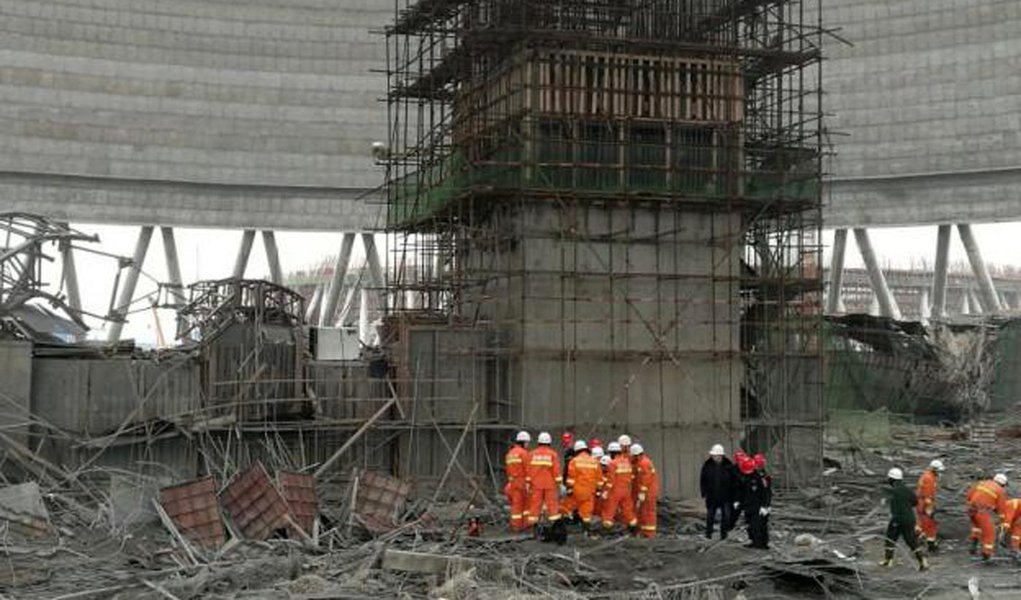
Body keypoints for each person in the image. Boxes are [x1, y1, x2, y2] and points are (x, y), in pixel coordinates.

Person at [881, 468, 928, 571]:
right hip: (910, 519)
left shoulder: (893, 491)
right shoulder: (907, 490)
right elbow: (915, 502)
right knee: (911, 541)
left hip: (898, 519)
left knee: (890, 539)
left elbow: (894, 507)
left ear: (892, 479)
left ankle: (888, 560)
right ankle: (922, 561)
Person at [561, 440, 601, 532]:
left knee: (565, 508)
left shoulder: (574, 461)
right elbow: (599, 479)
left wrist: (569, 489)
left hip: (577, 491)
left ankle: (562, 527)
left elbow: (571, 478)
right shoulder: (595, 461)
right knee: (586, 514)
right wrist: (598, 490)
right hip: (590, 492)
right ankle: (585, 531)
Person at [700, 443, 738, 539]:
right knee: (710, 516)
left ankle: (723, 534)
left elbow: (734, 481)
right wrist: (703, 492)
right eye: (714, 455)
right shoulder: (707, 465)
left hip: (726, 496)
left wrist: (734, 496)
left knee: (726, 516)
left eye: (717, 455)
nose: (715, 457)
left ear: (722, 455)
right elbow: (703, 479)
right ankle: (708, 533)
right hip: (712, 496)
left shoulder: (729, 466)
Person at [967, 473, 1009, 561]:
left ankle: (973, 544)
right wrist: (1002, 520)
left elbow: (970, 494)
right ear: (1002, 484)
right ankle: (987, 554)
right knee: (990, 533)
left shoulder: (982, 483)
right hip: (982, 511)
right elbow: (1001, 508)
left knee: (977, 526)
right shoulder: (1000, 491)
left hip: (971, 509)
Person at [527, 432, 562, 530]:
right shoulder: (553, 454)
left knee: (534, 504)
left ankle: (533, 526)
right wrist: (559, 483)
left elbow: (528, 470)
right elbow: (556, 471)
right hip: (550, 484)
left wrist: (528, 483)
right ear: (549, 442)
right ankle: (554, 525)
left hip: (535, 484)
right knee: (552, 505)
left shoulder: (531, 454)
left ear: (538, 442)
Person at [600, 442, 636, 533]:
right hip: (627, 490)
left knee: (609, 510)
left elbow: (611, 480)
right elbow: (631, 476)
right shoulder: (627, 461)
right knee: (628, 510)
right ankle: (633, 527)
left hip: (616, 491)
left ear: (612, 453)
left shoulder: (612, 463)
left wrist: (606, 491)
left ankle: (607, 530)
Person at [742, 453, 772, 549]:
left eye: (759, 465)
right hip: (750, 504)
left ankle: (761, 543)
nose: (757, 466)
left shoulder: (764, 477)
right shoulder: (750, 475)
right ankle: (754, 541)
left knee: (759, 525)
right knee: (750, 524)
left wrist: (765, 506)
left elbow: (767, 492)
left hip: (760, 505)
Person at [504, 430, 531, 532]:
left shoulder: (510, 454)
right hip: (522, 483)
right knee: (526, 505)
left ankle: (516, 526)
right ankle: (526, 525)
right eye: (527, 443)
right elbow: (528, 469)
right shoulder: (523, 453)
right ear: (523, 442)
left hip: (513, 483)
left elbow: (508, 470)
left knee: (516, 505)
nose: (528, 445)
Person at [630, 444, 659, 538]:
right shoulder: (642, 462)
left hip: (648, 492)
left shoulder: (644, 463)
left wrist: (642, 491)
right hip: (647, 491)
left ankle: (649, 533)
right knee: (643, 511)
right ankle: (644, 531)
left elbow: (645, 479)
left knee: (648, 511)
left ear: (637, 455)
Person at [915, 459, 944, 553]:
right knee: (930, 524)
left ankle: (917, 536)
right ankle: (931, 545)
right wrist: (929, 508)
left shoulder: (927, 476)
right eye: (939, 471)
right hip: (924, 503)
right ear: (934, 469)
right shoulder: (929, 478)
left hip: (921, 502)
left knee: (921, 522)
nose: (940, 473)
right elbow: (927, 495)